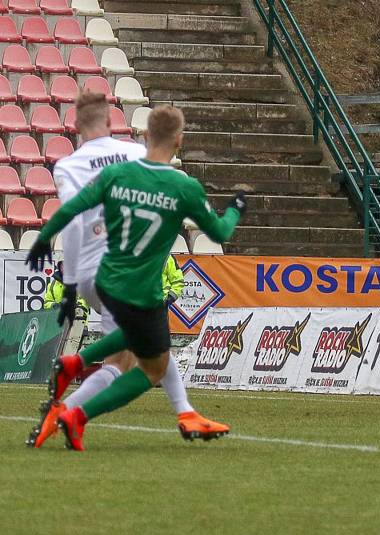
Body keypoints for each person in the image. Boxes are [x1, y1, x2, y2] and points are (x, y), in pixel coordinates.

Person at [26, 104, 246, 450]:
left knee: (132, 339)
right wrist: (236, 208)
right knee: (152, 367)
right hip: (142, 290)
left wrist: (41, 240)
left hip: (105, 280)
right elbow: (219, 233)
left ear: (145, 135)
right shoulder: (183, 186)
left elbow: (70, 209)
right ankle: (76, 415)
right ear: (180, 139)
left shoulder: (119, 175)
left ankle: (77, 362)